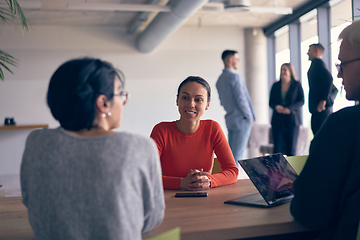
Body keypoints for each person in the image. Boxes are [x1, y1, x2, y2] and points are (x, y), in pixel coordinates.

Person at [20, 58, 165, 240]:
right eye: (120, 94)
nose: (123, 102)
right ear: (103, 103)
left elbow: (30, 200)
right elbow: (152, 217)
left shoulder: (37, 143)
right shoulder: (138, 148)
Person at [290, 20, 360, 240]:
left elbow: (308, 212)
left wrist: (323, 100)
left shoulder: (344, 125)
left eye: (343, 64)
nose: (339, 75)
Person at [150, 76, 239, 191]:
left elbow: (232, 171)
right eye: (185, 97)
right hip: (168, 201)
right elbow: (148, 175)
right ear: (177, 101)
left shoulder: (213, 128)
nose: (191, 104)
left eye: (198, 100)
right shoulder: (161, 131)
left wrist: (209, 181)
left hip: (203, 199)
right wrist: (182, 183)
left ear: (207, 104)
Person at [216, 50, 256, 170]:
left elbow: (222, 102)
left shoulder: (220, 80)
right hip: (241, 119)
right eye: (237, 59)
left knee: (230, 155)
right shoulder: (235, 77)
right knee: (238, 156)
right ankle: (233, 182)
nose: (238, 62)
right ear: (230, 60)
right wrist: (249, 117)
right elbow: (241, 99)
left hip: (230, 119)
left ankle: (229, 179)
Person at [269, 63, 304, 156]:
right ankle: (276, 170)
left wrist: (289, 109)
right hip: (278, 120)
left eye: (285, 70)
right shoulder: (275, 85)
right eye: (281, 70)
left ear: (290, 71)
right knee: (277, 150)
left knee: (291, 150)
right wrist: (276, 107)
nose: (282, 72)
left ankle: (290, 171)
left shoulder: (296, 85)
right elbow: (271, 102)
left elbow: (301, 101)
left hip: (292, 121)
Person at [307, 43, 334, 136]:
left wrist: (323, 100)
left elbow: (329, 79)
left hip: (321, 109)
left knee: (322, 137)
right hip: (318, 109)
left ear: (316, 51)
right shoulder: (317, 64)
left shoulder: (318, 64)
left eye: (309, 50)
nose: (307, 53)